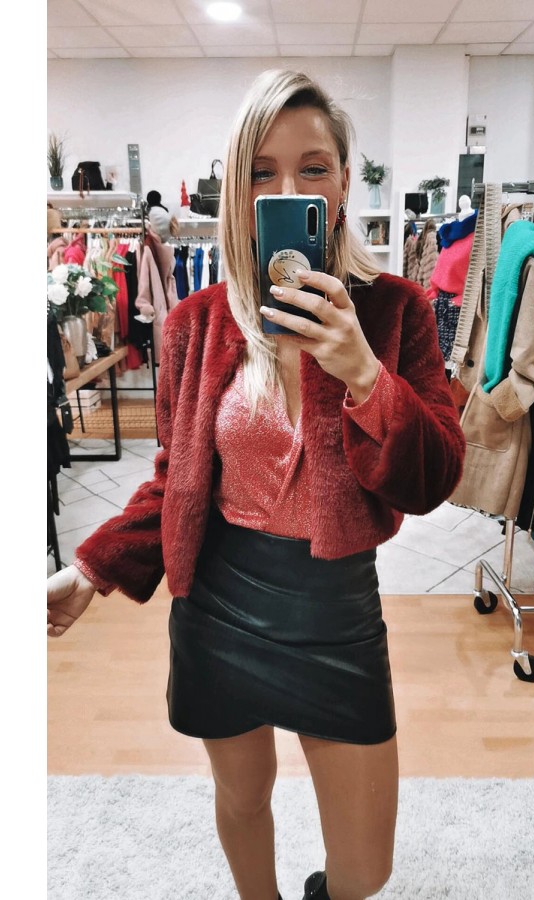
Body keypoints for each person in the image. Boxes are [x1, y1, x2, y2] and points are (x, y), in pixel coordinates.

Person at [47, 69, 466, 900]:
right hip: (219, 604)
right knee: (243, 799)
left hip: (334, 608)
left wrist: (363, 373)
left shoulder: (395, 312)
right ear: (236, 192)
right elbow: (176, 480)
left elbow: (434, 477)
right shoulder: (194, 324)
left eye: (312, 169)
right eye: (261, 172)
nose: (286, 190)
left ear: (342, 186)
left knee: (365, 869)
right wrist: (91, 569)